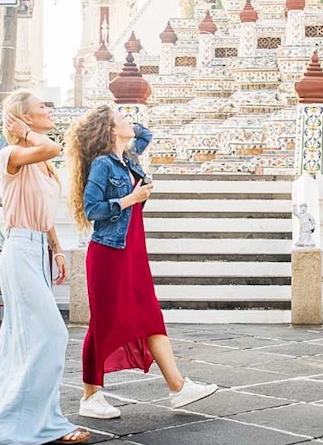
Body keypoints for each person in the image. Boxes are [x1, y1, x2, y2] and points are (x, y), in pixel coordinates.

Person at [67, 105, 217, 418]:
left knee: (150, 316)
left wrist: (126, 125)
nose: (128, 120)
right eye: (120, 118)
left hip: (132, 251)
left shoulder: (127, 159)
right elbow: (92, 209)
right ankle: (89, 396)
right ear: (109, 130)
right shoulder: (102, 165)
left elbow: (146, 133)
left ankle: (178, 387)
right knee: (103, 324)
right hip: (109, 253)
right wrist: (129, 200)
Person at [0, 90, 89, 445]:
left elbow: (43, 205)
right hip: (19, 250)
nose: (49, 109)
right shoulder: (12, 154)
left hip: (37, 249)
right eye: (42, 106)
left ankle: (14, 421)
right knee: (51, 334)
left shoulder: (39, 163)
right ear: (23, 117)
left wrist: (56, 249)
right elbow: (53, 147)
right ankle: (40, 424)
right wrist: (22, 132)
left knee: (24, 341)